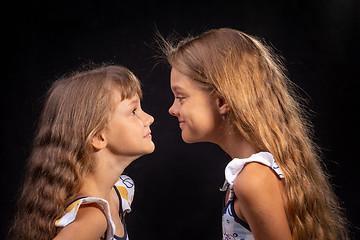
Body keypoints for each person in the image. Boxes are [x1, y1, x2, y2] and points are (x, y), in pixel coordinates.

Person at [160, 28, 349, 239]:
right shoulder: (255, 173)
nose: (172, 109)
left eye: (180, 96)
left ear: (222, 101)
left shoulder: (254, 180)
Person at [8, 65, 155, 240]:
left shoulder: (117, 192)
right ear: (99, 137)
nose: (149, 118)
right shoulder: (93, 217)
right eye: (133, 111)